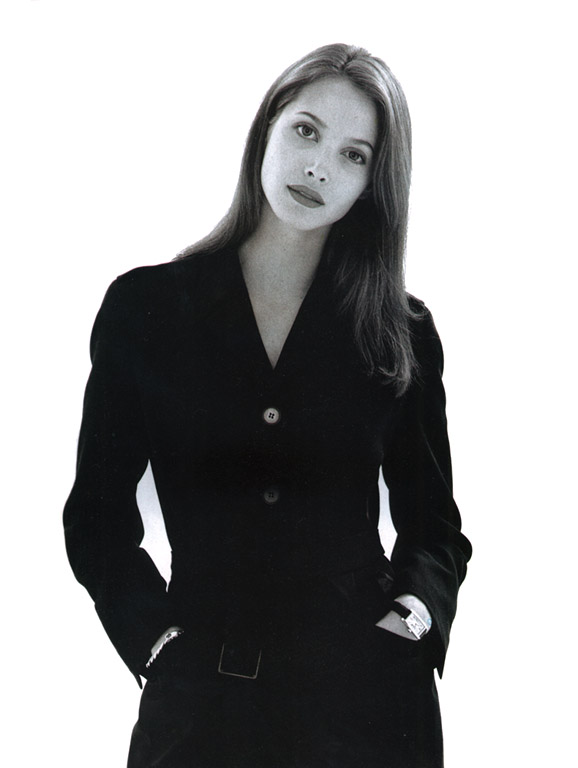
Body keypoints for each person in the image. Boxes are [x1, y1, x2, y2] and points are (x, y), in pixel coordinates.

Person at [64, 43, 472, 768]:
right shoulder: (145, 310)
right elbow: (96, 517)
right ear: (267, 130)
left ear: (372, 184)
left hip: (369, 711)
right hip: (199, 713)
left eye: (353, 155)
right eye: (306, 131)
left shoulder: (401, 332)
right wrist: (155, 642)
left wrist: (412, 620)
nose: (318, 167)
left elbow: (434, 525)